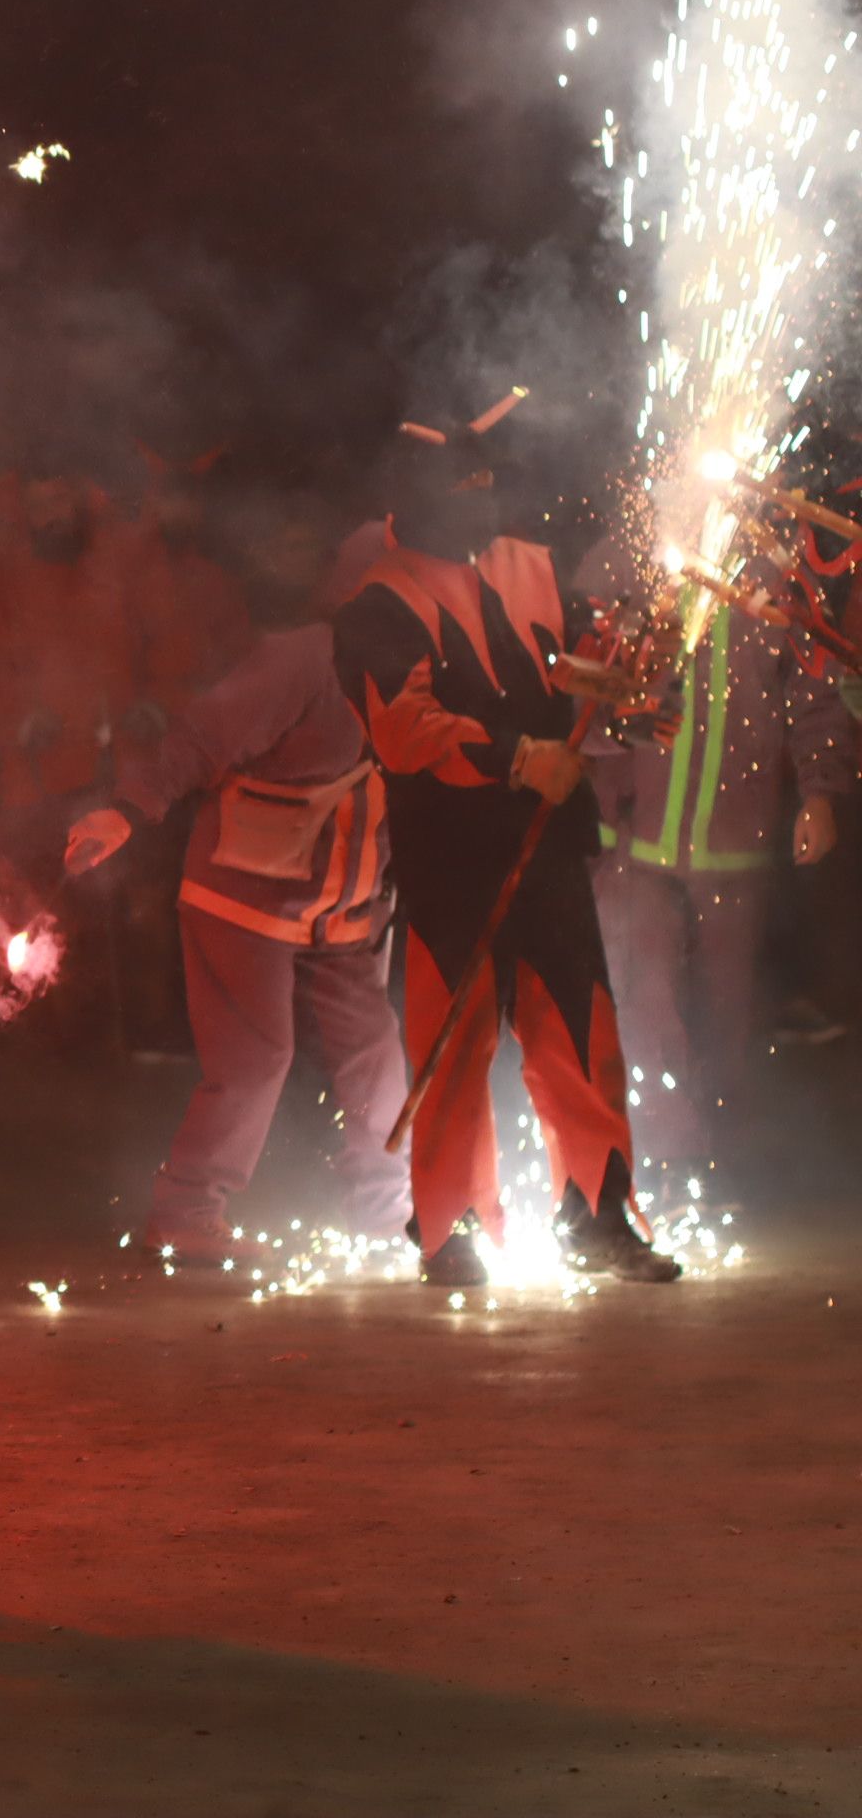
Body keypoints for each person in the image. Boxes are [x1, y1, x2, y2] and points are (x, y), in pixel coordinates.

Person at [328, 401, 678, 1284]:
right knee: (452, 1040)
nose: (482, 504)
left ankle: (598, 1216)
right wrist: (517, 756)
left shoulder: (531, 565)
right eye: (464, 489)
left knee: (580, 1027)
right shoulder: (377, 603)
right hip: (451, 855)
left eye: (489, 484)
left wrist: (631, 671)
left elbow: (583, 662)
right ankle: (449, 1228)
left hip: (548, 843)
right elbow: (404, 727)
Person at [67, 504, 407, 1263]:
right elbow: (202, 737)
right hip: (243, 896)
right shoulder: (302, 661)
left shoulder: (430, 668)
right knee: (256, 1058)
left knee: (376, 1052)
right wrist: (128, 812)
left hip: (349, 905)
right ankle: (186, 1213)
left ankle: (388, 1211)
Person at [572, 539, 850, 1165]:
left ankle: (713, 1165)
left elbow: (814, 694)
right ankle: (658, 1165)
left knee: (725, 1020)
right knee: (643, 1013)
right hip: (631, 843)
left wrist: (821, 793)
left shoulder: (779, 579)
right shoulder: (627, 560)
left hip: (733, 844)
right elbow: (575, 682)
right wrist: (602, 755)